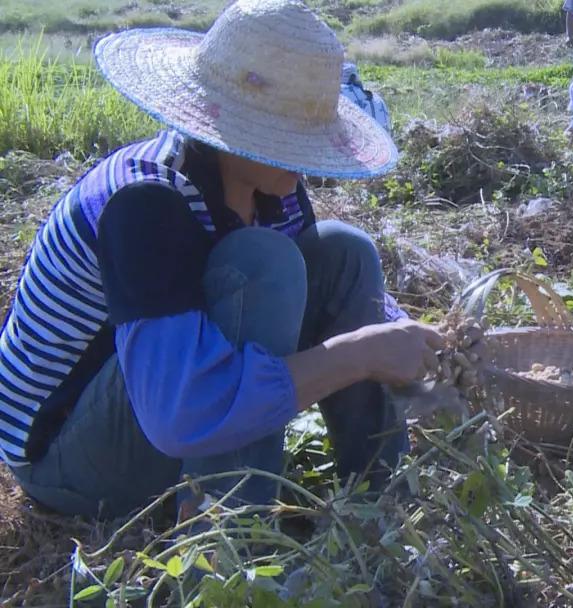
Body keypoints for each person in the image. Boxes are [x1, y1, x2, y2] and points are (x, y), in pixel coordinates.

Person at [0, 0, 445, 520]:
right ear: (232, 125)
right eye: (290, 139)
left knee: (342, 251)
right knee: (263, 265)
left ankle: (383, 504)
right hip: (66, 455)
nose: (303, 162)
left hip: (154, 408)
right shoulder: (148, 204)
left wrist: (413, 337)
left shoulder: (269, 187)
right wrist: (360, 354)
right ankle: (231, 538)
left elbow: (337, 292)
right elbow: (180, 413)